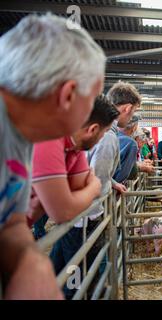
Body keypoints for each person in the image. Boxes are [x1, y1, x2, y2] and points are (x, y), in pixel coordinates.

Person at [0, 13, 106, 300]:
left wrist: (32, 262)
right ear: (68, 95)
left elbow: (11, 224)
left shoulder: (22, 135)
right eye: (91, 99)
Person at [29, 95, 118, 299]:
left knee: (66, 265)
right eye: (104, 133)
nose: (104, 138)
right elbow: (64, 210)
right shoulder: (50, 139)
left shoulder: (75, 149)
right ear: (93, 129)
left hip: (20, 223)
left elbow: (79, 188)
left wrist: (85, 189)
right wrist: (93, 187)